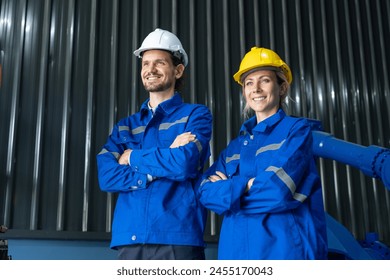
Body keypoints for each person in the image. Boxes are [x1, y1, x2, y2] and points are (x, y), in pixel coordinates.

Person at [197, 47, 328, 260]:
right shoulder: (235, 147)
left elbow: (277, 191)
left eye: (265, 80)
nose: (256, 89)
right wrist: (247, 185)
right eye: (249, 83)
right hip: (235, 254)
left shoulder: (296, 131)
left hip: (284, 252)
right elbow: (204, 192)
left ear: (282, 87)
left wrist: (230, 193)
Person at [96, 28, 212, 260]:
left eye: (159, 63)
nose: (150, 70)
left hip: (178, 236)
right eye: (145, 64)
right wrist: (166, 156)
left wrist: (133, 158)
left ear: (178, 70)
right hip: (130, 238)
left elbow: (184, 164)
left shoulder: (195, 116)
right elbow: (107, 177)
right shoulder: (125, 126)